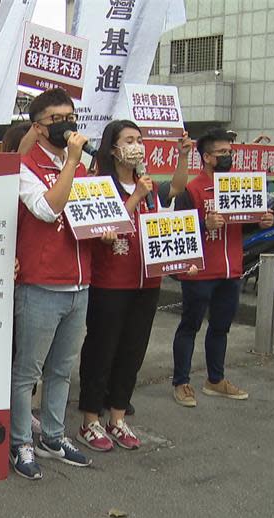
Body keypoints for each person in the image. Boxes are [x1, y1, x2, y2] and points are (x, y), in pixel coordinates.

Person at [75, 120, 192, 452]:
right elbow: (100, 228)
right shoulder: (98, 185)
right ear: (113, 148)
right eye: (129, 140)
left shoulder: (149, 186)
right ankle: (89, 421)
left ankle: (117, 417)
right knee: (102, 350)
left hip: (147, 281)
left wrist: (182, 158)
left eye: (139, 140)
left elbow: (177, 189)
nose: (136, 146)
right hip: (110, 282)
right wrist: (135, 196)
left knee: (132, 351)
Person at [10, 88, 93, 480]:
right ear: (39, 128)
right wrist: (72, 163)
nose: (67, 125)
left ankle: (54, 436)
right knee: (28, 371)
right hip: (40, 284)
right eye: (57, 120)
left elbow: (96, 213)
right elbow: (46, 209)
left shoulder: (85, 170)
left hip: (79, 284)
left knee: (62, 369)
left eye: (70, 116)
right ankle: (21, 441)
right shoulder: (24, 167)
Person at [171, 129, 274, 407]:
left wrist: (261, 220)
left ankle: (215, 380)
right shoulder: (192, 189)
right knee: (189, 326)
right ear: (206, 157)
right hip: (200, 272)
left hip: (231, 271)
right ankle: (181, 383)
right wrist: (205, 225)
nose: (228, 157)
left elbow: (247, 222)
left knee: (220, 328)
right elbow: (178, 229)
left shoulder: (238, 185)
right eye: (222, 153)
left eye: (230, 152)